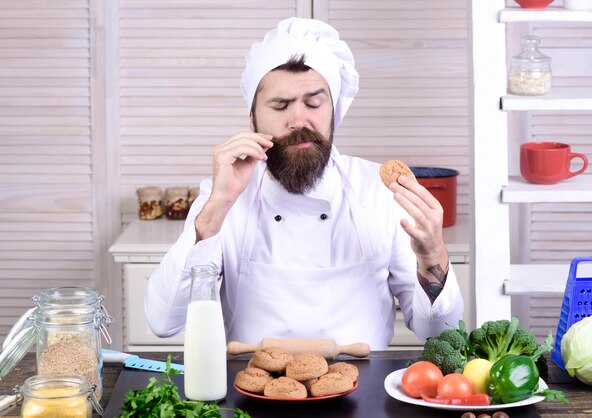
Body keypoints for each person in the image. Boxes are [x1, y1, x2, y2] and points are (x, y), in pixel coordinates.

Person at [145, 17, 463, 350]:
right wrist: (217, 209)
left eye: (313, 103)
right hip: (250, 393)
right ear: (252, 119)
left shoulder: (379, 191)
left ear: (333, 111)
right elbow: (163, 321)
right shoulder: (224, 195)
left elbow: (441, 335)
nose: (299, 120)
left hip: (361, 394)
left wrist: (432, 254)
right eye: (280, 105)